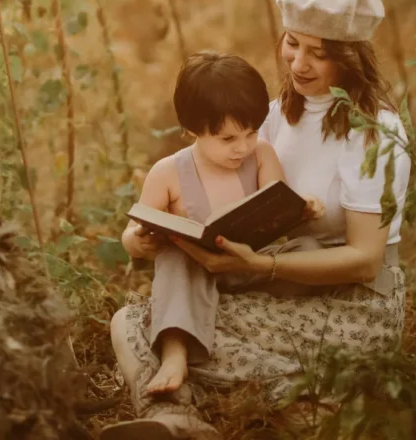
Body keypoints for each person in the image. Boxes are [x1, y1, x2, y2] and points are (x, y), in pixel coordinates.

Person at [102, 0, 412, 440]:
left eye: (319, 54)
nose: (299, 64)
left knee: (158, 329)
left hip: (352, 305)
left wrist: (260, 266)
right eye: (292, 43)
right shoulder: (271, 117)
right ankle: (178, 417)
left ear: (352, 59)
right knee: (133, 321)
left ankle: (308, 406)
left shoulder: (376, 133)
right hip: (273, 287)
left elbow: (366, 262)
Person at [121, 52, 324, 399]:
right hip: (201, 274)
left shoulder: (261, 155)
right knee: (174, 260)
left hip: (254, 265)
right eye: (228, 139)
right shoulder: (167, 172)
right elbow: (135, 229)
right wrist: (138, 242)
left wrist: (302, 209)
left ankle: (256, 316)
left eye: (251, 133)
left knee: (309, 250)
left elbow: (276, 207)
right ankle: (175, 352)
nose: (242, 148)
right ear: (191, 130)